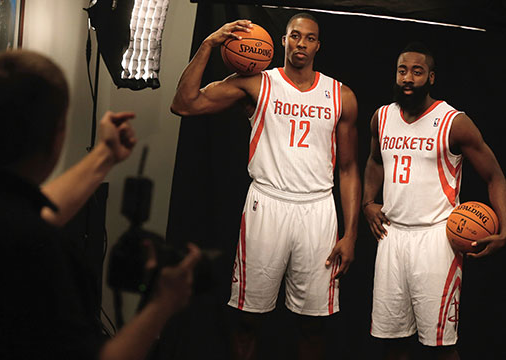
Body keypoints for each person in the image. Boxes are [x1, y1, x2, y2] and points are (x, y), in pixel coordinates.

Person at [0, 49, 201, 360]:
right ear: (58, 134)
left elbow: (29, 212)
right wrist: (162, 304)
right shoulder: (38, 249)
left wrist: (104, 155)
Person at [171, 13, 361, 359]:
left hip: (318, 210)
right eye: (295, 36)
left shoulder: (341, 95)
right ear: (283, 40)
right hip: (267, 204)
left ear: (318, 45)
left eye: (309, 38)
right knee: (248, 318)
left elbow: (349, 169)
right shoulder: (258, 84)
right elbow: (184, 103)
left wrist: (350, 234)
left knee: (313, 324)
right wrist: (208, 44)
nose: (301, 43)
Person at [362, 42, 506, 359]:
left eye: (417, 71)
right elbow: (374, 161)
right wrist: (368, 202)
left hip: (436, 239)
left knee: (441, 346)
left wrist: (504, 229)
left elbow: (495, 175)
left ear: (431, 77)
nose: (408, 78)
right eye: (402, 71)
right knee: (392, 341)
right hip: (391, 237)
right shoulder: (382, 117)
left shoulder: (453, 122)